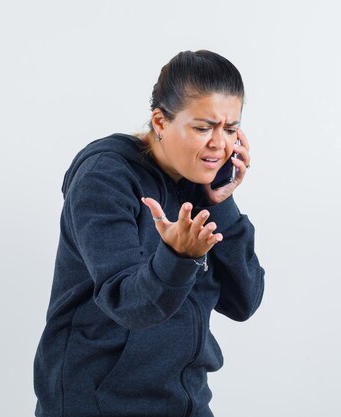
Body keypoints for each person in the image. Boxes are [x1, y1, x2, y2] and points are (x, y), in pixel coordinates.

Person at [33, 50, 265, 417]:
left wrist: (221, 201)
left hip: (184, 402)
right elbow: (127, 303)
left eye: (231, 129)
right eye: (204, 128)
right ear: (160, 120)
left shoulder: (196, 182)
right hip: (97, 404)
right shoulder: (104, 177)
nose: (220, 144)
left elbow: (244, 301)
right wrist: (177, 258)